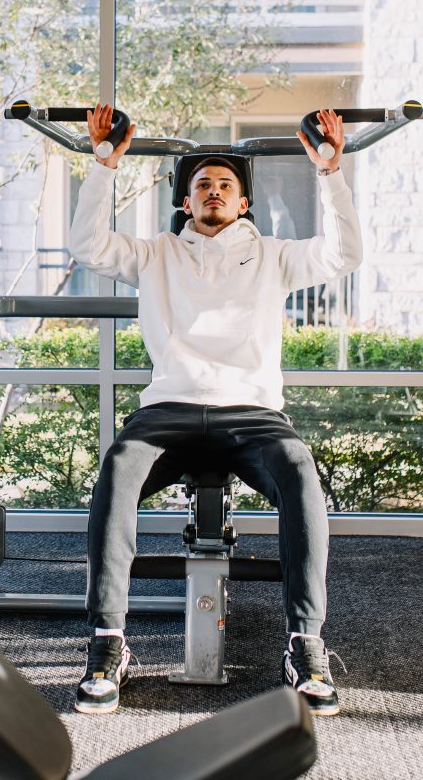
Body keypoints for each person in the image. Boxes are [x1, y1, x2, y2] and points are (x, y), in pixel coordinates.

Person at [68, 105, 362, 718]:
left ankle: (306, 643)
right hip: (168, 413)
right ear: (185, 201)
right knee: (119, 466)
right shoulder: (154, 255)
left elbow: (344, 255)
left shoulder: (275, 255)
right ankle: (106, 643)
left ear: (244, 202)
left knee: (300, 472)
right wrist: (103, 165)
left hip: (252, 415)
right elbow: (88, 245)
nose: (213, 190)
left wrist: (331, 172)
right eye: (202, 183)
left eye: (225, 184)